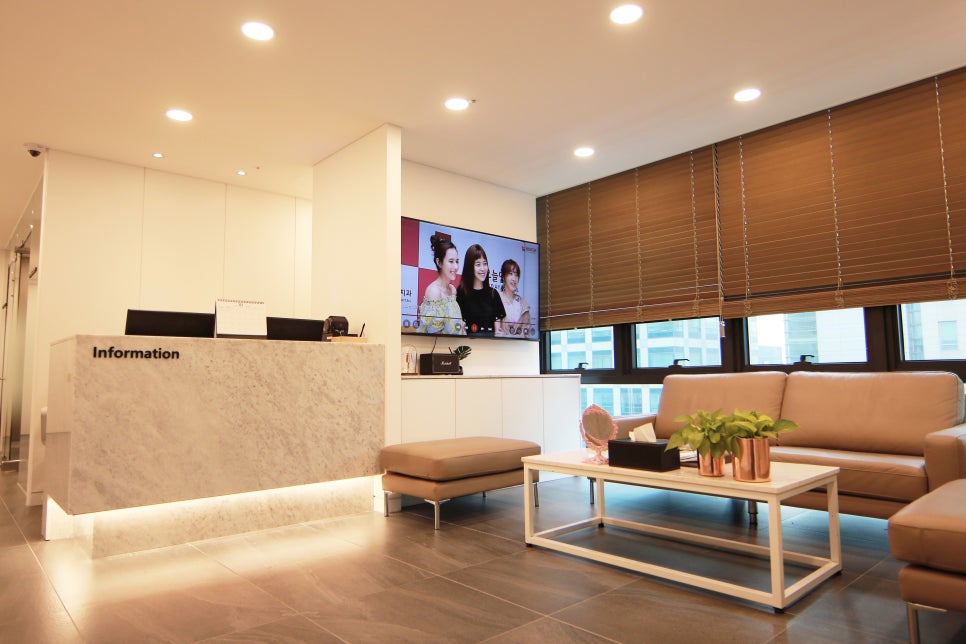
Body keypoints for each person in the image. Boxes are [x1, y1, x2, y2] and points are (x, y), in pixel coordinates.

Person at [417, 235, 465, 335]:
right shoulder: (433, 291)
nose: (455, 266)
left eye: (457, 261)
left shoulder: (452, 290)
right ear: (439, 262)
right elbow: (434, 337)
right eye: (451, 261)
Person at [456, 244, 506, 336]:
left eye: (485, 263)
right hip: (467, 343)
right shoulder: (461, 293)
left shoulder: (493, 294)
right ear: (469, 266)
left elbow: (498, 331)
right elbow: (460, 326)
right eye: (478, 264)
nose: (483, 268)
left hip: (490, 343)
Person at [497, 259, 531, 337]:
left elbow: (526, 333)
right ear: (503, 277)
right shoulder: (497, 298)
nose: (514, 278)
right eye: (510, 274)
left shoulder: (524, 304)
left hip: (518, 344)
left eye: (516, 275)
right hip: (498, 343)